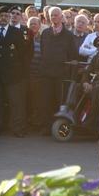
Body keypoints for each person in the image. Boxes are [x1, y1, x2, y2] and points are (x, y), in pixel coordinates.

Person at [0, 6, 28, 137]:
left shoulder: (16, 32)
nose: (3, 18)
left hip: (13, 74)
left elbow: (22, 54)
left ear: (10, 18)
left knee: (15, 103)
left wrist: (23, 73)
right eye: (1, 16)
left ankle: (16, 128)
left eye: (6, 16)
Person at [39, 7, 77, 136]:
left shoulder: (69, 36)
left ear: (62, 17)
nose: (54, 17)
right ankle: (46, 127)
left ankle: (58, 127)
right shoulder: (45, 33)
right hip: (46, 73)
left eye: (56, 15)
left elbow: (73, 56)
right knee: (45, 102)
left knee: (59, 102)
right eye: (52, 15)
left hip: (61, 74)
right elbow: (42, 51)